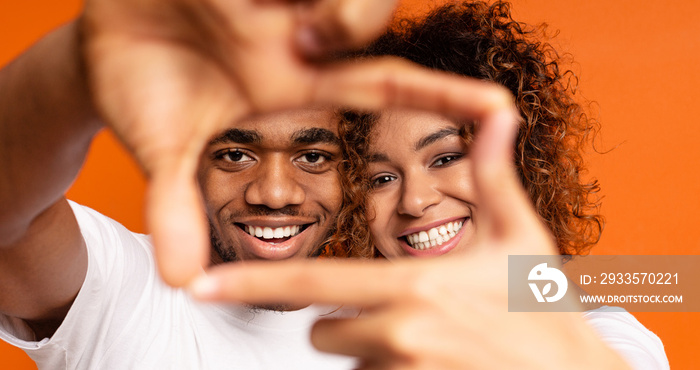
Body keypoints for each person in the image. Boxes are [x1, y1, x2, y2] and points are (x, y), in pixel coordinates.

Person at [0, 0, 516, 368]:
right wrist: (78, 64)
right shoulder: (122, 286)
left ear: (350, 172)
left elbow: (589, 291)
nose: (273, 193)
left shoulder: (395, 301)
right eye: (235, 154)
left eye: (313, 156)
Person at [190, 2, 669, 369]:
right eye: (380, 178)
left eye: (445, 157)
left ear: (519, 161)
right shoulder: (334, 322)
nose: (416, 201)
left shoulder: (593, 326)